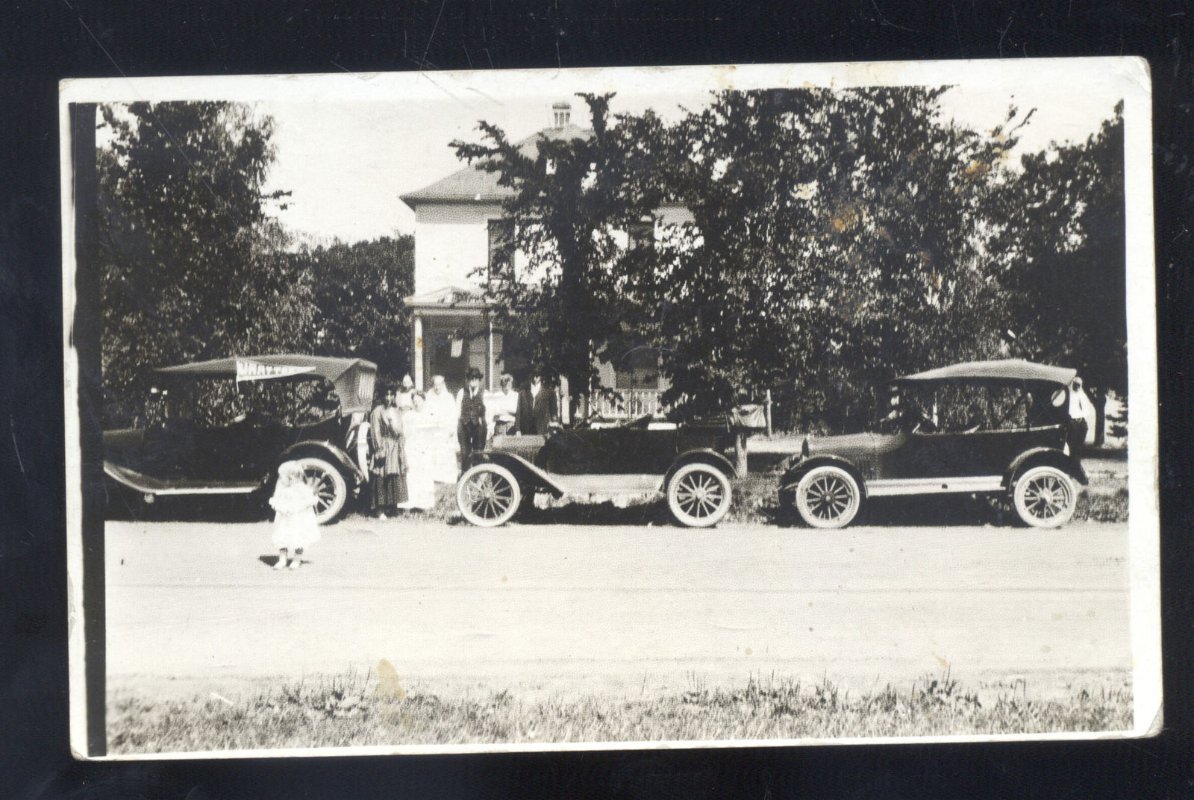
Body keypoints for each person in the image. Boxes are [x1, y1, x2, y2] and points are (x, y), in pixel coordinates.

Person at [269, 461, 320, 570]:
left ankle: (297, 559)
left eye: (281, 477)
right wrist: (280, 508)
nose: (280, 479)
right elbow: (276, 501)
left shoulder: (302, 489)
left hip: (298, 519)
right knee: (282, 538)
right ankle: (282, 560)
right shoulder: (281, 489)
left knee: (298, 539)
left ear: (291, 477)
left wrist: (302, 507)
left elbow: (309, 500)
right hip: (284, 520)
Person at [369, 383, 408, 517]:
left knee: (393, 477)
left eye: (391, 395)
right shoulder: (377, 411)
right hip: (384, 446)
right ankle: (380, 510)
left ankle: (392, 507)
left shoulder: (396, 411)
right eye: (386, 395)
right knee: (381, 477)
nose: (389, 398)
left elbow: (400, 431)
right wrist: (379, 448)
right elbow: (375, 431)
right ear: (382, 396)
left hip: (394, 447)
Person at [397, 391, 436, 510]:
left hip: (425, 449)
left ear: (424, 401)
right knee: (412, 476)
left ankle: (424, 504)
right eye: (414, 401)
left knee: (424, 476)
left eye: (419, 401)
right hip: (412, 449)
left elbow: (432, 434)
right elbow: (404, 433)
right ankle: (410, 502)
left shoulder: (429, 415)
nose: (417, 403)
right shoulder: (408, 416)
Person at [423, 374, 461, 485]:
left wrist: (451, 429)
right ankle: (435, 476)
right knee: (434, 453)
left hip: (445, 430)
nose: (437, 387)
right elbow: (426, 412)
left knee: (446, 453)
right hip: (434, 429)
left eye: (439, 385)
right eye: (435, 385)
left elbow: (453, 415)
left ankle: (447, 477)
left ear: (443, 384)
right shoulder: (429, 396)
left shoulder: (449, 397)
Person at [457, 367, 488, 473]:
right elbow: (457, 410)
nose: (473, 380)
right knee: (465, 453)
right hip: (464, 424)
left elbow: (489, 412)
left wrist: (488, 427)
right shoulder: (462, 392)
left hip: (479, 426)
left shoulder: (485, 393)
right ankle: (465, 475)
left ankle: (477, 475)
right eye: (471, 378)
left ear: (479, 380)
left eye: (475, 378)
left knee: (478, 451)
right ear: (468, 379)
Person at [517, 369, 559, 435]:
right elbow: (518, 411)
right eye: (533, 375)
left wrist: (554, 426)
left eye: (537, 376)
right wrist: (517, 429)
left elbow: (554, 411)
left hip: (543, 429)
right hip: (526, 429)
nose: (535, 378)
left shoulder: (549, 392)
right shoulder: (523, 392)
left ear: (541, 377)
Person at [1067, 376, 1091, 455]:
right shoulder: (1069, 394)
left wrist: (1083, 417)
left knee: (1080, 440)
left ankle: (1077, 456)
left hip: (1081, 420)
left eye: (1079, 385)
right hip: (1072, 420)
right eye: (1076, 384)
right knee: (1072, 442)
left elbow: (1086, 408)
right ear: (1073, 384)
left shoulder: (1082, 395)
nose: (1077, 386)